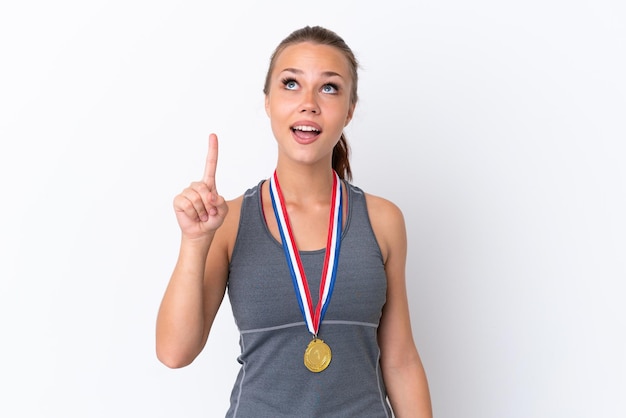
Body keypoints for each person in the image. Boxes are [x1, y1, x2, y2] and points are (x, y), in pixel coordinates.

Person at [156, 25, 432, 417]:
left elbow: (401, 360)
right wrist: (194, 241)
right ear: (267, 102)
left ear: (350, 109)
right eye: (291, 84)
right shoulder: (228, 221)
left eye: (329, 87)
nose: (309, 103)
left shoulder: (383, 220)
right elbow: (174, 352)